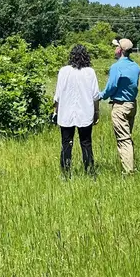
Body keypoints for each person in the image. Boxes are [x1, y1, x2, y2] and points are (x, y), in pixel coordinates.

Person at [52, 44, 100, 177]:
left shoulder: (64, 71)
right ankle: (90, 172)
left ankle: (66, 174)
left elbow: (58, 95)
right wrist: (96, 112)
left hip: (66, 113)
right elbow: (95, 95)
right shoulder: (90, 72)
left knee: (66, 144)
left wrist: (55, 112)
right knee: (86, 143)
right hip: (85, 113)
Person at [98, 37, 140, 175]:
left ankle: (128, 171)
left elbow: (111, 87)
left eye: (116, 47)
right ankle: (130, 166)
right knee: (127, 136)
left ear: (121, 50)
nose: (114, 49)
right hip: (132, 105)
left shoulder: (116, 67)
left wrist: (101, 95)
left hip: (120, 106)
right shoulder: (135, 66)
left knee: (123, 139)